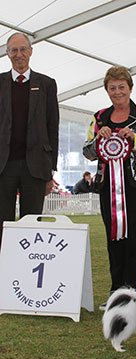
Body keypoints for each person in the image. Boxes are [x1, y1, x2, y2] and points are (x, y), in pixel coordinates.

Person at [83, 66, 136, 309]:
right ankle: (115, 292)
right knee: (114, 238)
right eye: (112, 88)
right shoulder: (99, 117)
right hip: (108, 187)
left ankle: (134, 293)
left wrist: (135, 139)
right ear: (106, 90)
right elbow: (87, 152)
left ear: (130, 88)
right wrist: (99, 139)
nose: (117, 92)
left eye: (121, 87)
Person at [0, 32, 59, 245]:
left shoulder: (47, 84)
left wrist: (50, 170)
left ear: (31, 52)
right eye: (14, 50)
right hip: (3, 166)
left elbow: (53, 128)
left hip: (35, 167)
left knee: (32, 224)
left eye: (23, 49)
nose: (19, 54)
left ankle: (27, 273)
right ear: (7, 54)